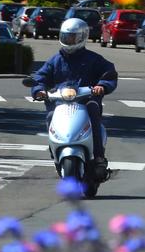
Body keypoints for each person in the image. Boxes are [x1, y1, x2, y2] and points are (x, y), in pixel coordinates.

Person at [30, 18, 117, 181]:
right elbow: (40, 77)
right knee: (50, 117)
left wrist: (102, 86)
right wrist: (39, 90)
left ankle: (98, 156)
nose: (69, 41)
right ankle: (55, 151)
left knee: (93, 110)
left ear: (83, 37)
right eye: (66, 37)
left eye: (72, 37)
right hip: (60, 102)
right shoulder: (55, 60)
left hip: (86, 100)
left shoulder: (94, 59)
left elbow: (109, 73)